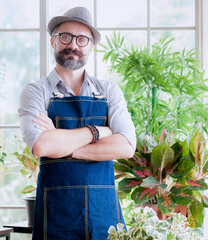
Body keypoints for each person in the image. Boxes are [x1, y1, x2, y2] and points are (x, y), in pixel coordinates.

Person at [18, 6, 136, 240]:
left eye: (82, 39)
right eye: (66, 37)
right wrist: (98, 131)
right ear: (53, 42)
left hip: (104, 212)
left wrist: (64, 146)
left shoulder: (108, 90)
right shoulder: (35, 91)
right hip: (56, 212)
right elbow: (42, 146)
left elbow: (125, 146)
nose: (73, 45)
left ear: (91, 46)